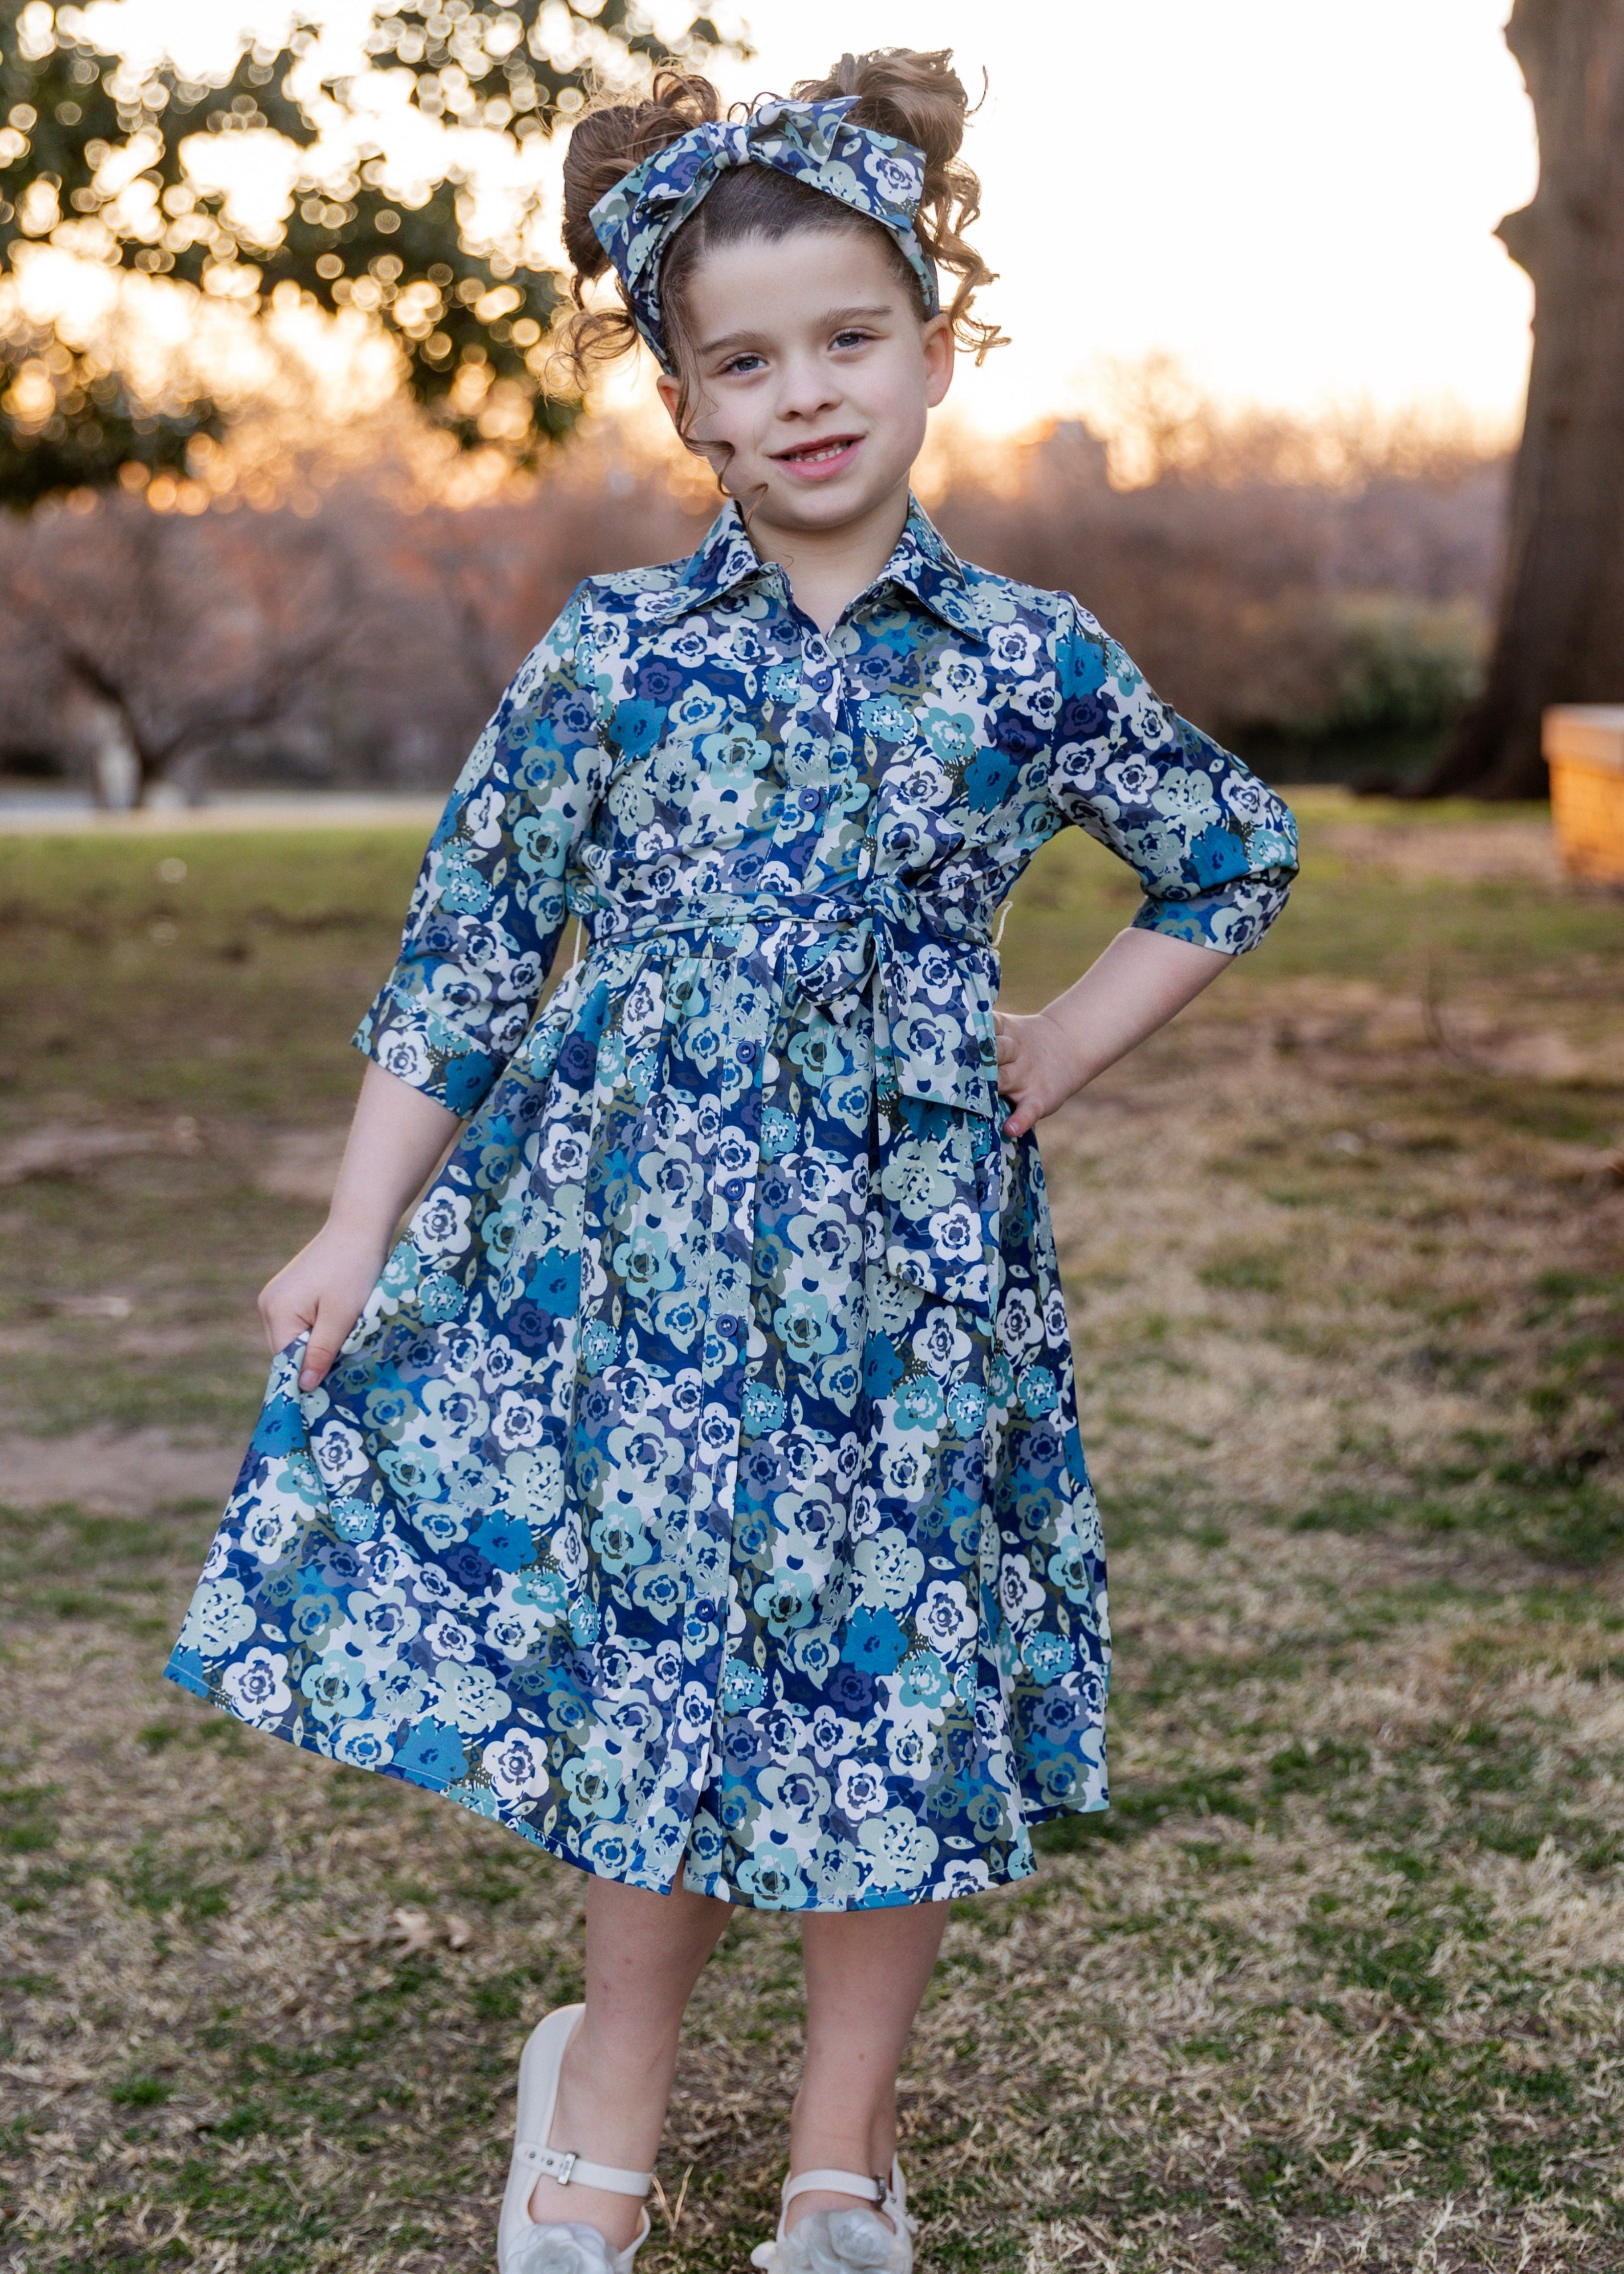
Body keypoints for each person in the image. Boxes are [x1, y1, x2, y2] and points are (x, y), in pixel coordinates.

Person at [165, 47, 1298, 2274]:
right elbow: (469, 953)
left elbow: (1230, 851)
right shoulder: (615, 656)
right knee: (658, 1680)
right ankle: (598, 2111)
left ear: (936, 349)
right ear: (686, 404)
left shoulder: (1025, 661)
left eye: (849, 339)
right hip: (641, 1276)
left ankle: (839, 2161)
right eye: (746, 363)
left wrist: (1064, 1035)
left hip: (909, 1281)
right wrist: (353, 1222)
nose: (806, 395)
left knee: (888, 1680)